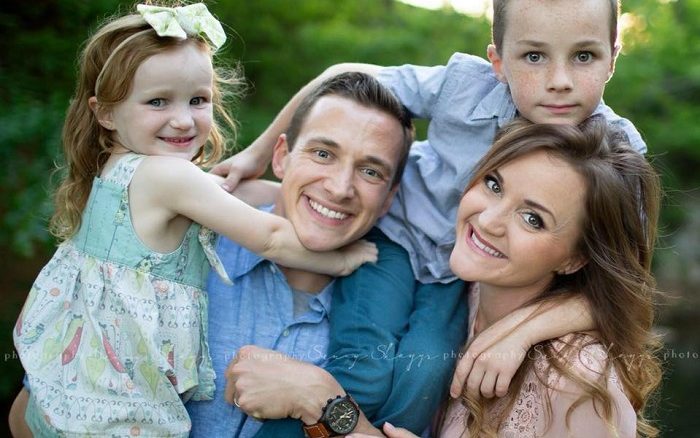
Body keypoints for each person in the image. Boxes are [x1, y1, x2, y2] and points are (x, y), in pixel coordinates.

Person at [215, 0, 646, 435]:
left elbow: (622, 286)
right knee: (365, 366)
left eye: (584, 56)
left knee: (427, 372)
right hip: (396, 239)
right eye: (534, 56)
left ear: (613, 57)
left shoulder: (615, 154)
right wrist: (256, 154)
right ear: (498, 61)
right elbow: (342, 77)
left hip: (456, 273)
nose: (559, 81)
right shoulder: (465, 87)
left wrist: (522, 332)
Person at [9, 4, 377, 437]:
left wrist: (306, 194)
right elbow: (272, 239)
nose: (183, 119)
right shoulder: (168, 176)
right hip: (118, 411)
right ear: (105, 112)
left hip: (72, 390)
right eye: (157, 101)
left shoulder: (120, 171)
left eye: (198, 100)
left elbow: (234, 195)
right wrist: (345, 258)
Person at [234, 116, 663, 437]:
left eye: (532, 219)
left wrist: (321, 402)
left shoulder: (577, 380)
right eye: (493, 185)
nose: (488, 220)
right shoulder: (461, 290)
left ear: (575, 259)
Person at [184, 71, 416, 437]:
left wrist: (320, 397)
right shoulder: (188, 244)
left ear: (389, 198)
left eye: (370, 172)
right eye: (323, 154)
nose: (340, 188)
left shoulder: (395, 317)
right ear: (281, 157)